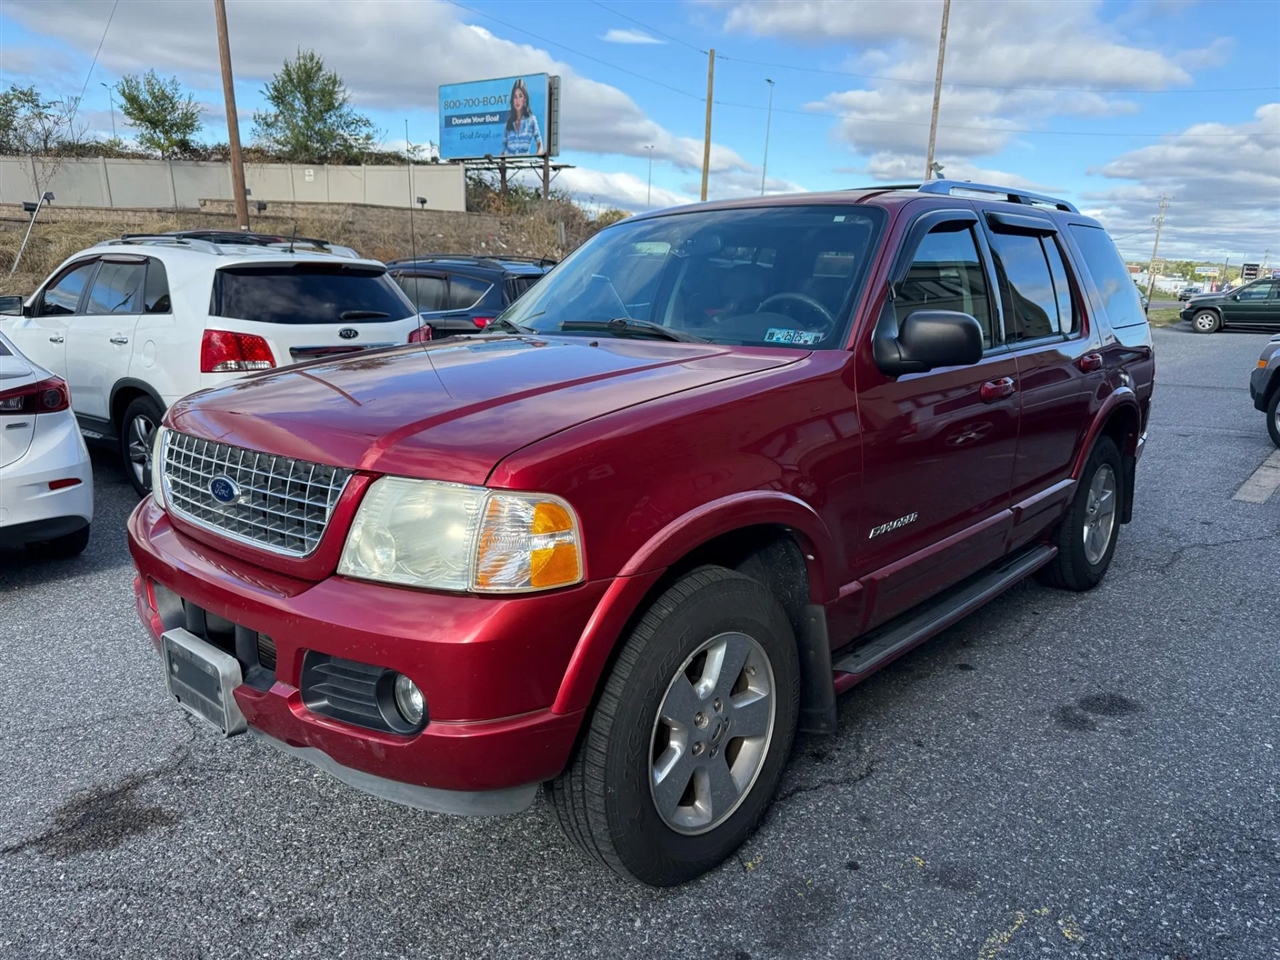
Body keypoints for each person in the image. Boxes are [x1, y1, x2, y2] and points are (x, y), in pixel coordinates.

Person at [501, 78, 543, 156]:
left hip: (524, 166)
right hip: (509, 166)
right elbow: (504, 149)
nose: (518, 100)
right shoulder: (509, 123)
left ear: (524, 99)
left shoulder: (531, 120)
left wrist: (539, 154)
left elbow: (539, 144)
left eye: (520, 96)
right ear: (512, 100)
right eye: (515, 97)